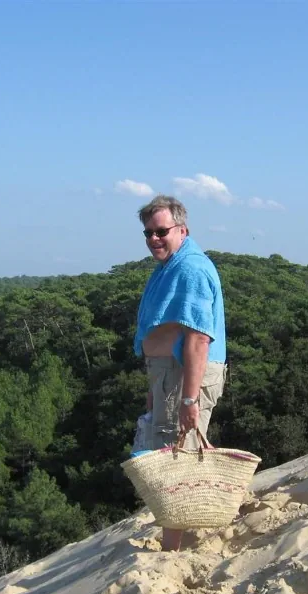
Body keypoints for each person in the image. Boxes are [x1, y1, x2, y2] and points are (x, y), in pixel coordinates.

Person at [132, 195, 227, 551]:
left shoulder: (191, 269)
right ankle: (174, 536)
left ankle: (173, 549)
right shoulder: (170, 265)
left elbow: (198, 338)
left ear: (182, 229)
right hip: (169, 377)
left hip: (184, 376)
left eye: (161, 231)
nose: (154, 239)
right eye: (148, 233)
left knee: (177, 457)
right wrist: (156, 389)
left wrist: (188, 398)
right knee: (170, 451)